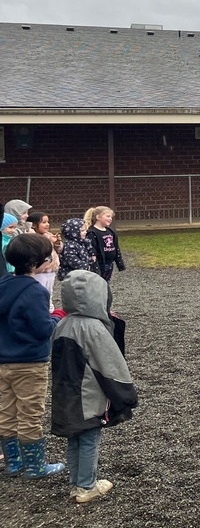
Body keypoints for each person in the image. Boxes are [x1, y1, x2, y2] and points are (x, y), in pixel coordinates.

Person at [51, 269, 138, 503]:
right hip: (87, 396)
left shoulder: (62, 324)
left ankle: (75, 483)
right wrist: (126, 393)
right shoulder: (94, 328)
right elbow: (110, 365)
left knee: (74, 438)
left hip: (65, 395)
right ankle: (87, 485)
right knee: (89, 437)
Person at [0, 233, 66, 478]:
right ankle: (35, 466)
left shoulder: (3, 284)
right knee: (30, 413)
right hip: (29, 363)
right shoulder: (36, 291)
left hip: (3, 360)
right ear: (33, 264)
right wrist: (58, 315)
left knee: (7, 410)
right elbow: (43, 330)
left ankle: (13, 463)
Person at [26, 211, 60, 312]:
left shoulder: (48, 235)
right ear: (34, 225)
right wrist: (50, 242)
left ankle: (50, 310)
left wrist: (57, 244)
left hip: (51, 270)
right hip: (40, 271)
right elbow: (41, 250)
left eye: (48, 222)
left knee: (49, 292)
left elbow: (58, 251)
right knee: (40, 292)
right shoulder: (32, 237)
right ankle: (40, 310)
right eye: (44, 222)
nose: (47, 224)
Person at [85, 206, 125, 284]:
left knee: (106, 282)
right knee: (98, 283)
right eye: (108, 216)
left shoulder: (111, 232)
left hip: (109, 264)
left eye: (111, 217)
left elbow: (116, 248)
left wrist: (120, 264)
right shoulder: (92, 233)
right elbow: (92, 250)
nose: (110, 218)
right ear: (98, 217)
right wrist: (94, 265)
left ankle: (105, 294)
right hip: (99, 264)